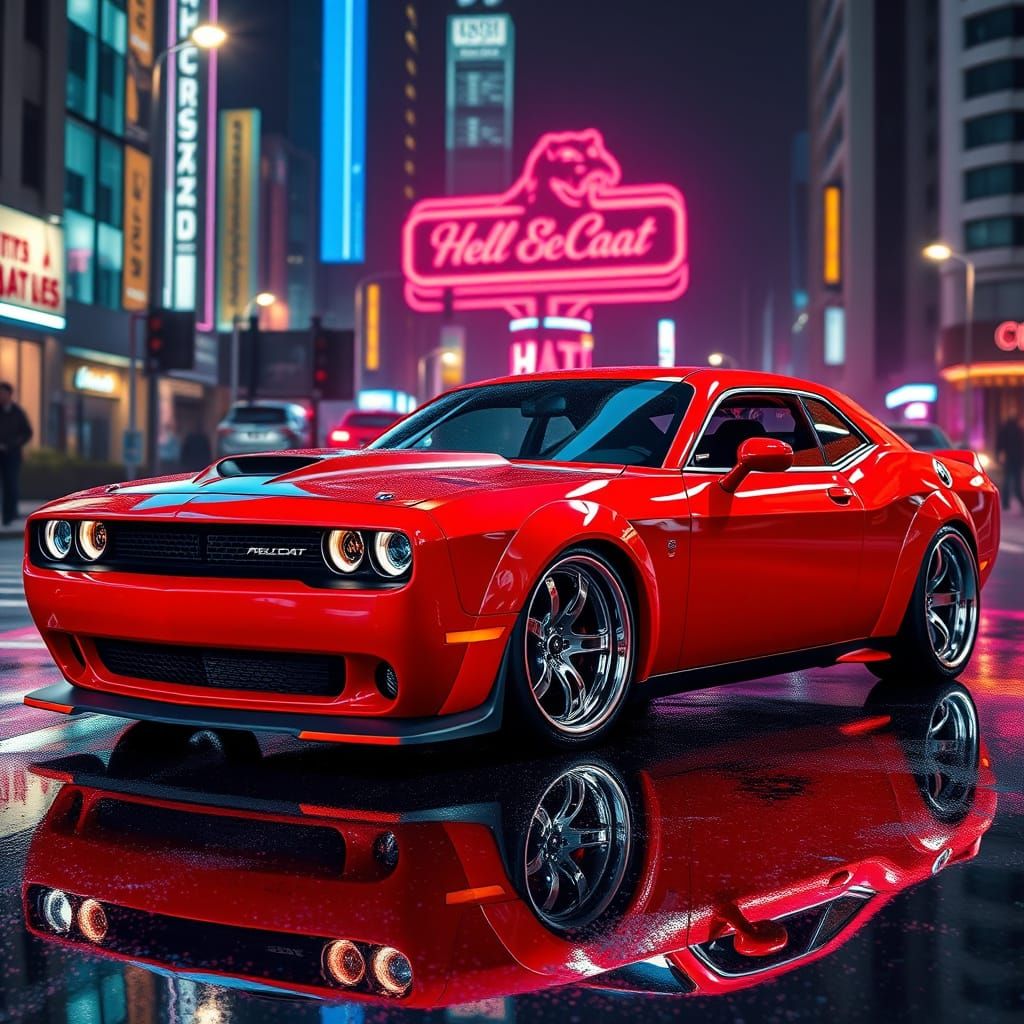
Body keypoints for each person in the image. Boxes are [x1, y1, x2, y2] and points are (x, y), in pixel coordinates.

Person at [0, 382, 33, 525]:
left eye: (3, 393)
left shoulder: (17, 412)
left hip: (12, 455)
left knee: (11, 484)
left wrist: (14, 444)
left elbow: (27, 432)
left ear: (9, 394)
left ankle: (9, 515)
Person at [996, 411, 1024, 513]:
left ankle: (1006, 503)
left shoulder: (1005, 429)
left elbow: (999, 444)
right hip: (1016, 459)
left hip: (1009, 459)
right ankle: (1019, 501)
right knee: (1016, 482)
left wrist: (999, 456)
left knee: (1007, 481)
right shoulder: (1018, 430)